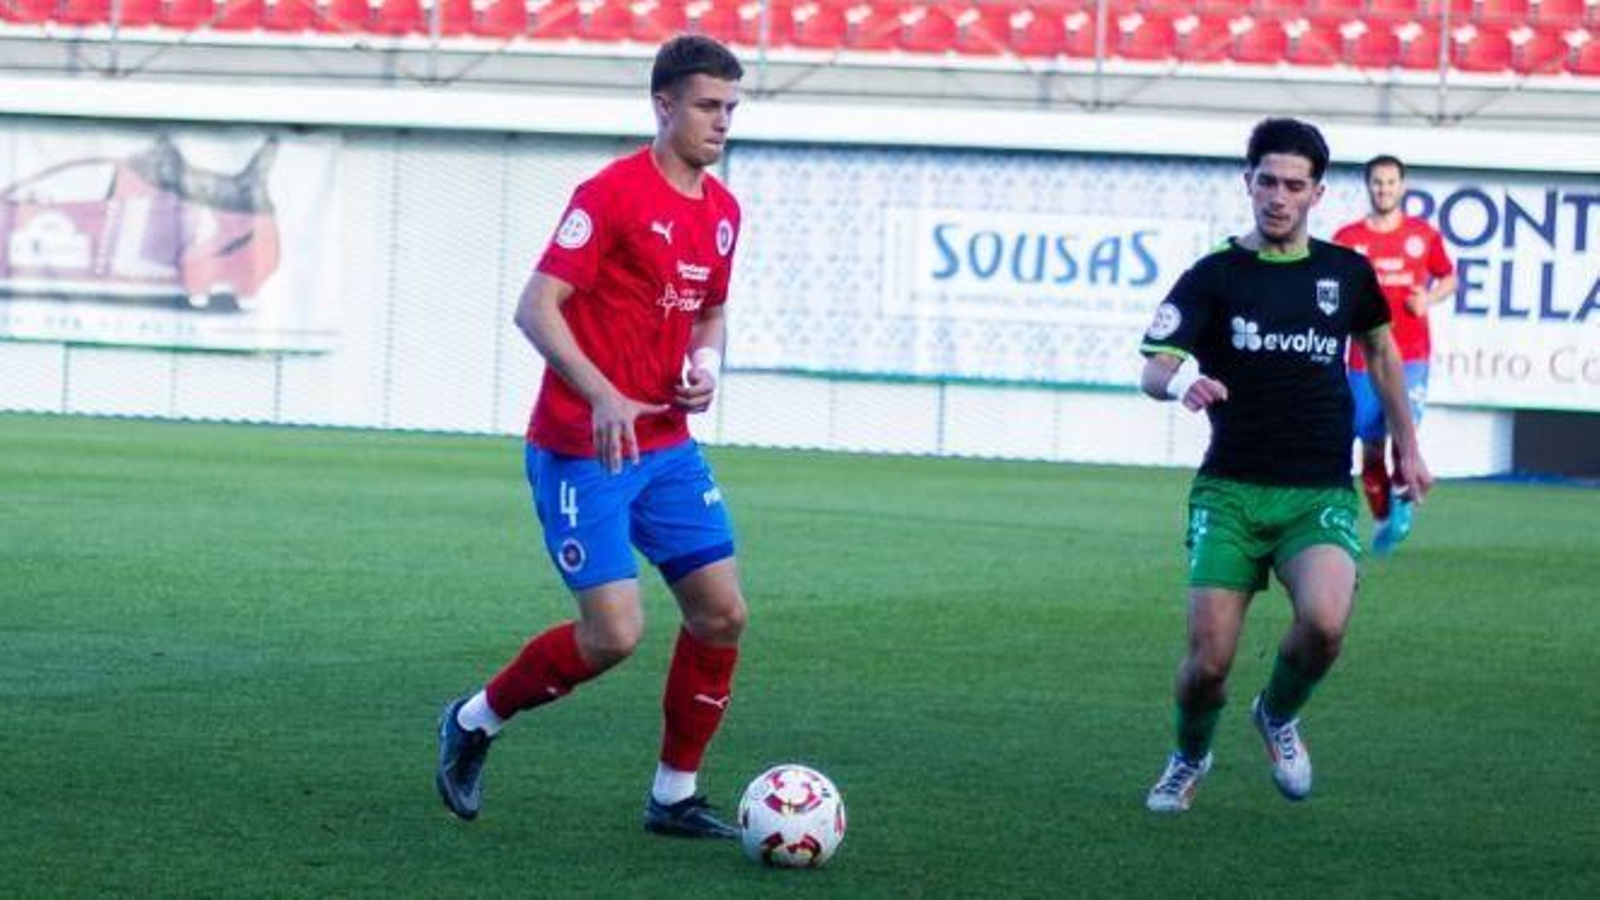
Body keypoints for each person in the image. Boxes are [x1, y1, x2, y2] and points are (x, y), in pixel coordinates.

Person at [435, 34, 748, 839]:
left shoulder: (722, 213)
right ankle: (474, 720)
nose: (722, 124)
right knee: (614, 634)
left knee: (721, 614)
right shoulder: (609, 194)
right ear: (664, 105)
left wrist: (704, 367)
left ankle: (674, 796)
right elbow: (536, 306)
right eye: (708, 107)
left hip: (668, 444)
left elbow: (709, 306)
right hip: (585, 445)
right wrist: (604, 392)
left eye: (731, 109)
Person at [1137, 118, 1432, 813]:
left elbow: (1384, 355)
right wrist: (1185, 384)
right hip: (1231, 493)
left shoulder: (1345, 273)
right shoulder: (1213, 275)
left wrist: (1408, 447)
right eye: (1266, 181)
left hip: (1315, 491)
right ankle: (1188, 757)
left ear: (1316, 193)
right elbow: (1153, 367)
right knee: (1208, 664)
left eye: (1293, 185)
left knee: (1327, 622)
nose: (1277, 196)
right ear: (1248, 182)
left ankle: (1276, 714)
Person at [1332, 155, 1456, 556]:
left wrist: (1430, 296)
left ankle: (1404, 499)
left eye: (1390, 182)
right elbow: (1331, 287)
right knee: (1370, 448)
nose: (1384, 189)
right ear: (1368, 186)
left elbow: (1449, 277)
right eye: (1377, 182)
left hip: (1411, 353)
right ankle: (1384, 517)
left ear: (1402, 186)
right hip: (1362, 358)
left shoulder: (1423, 235)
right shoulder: (1348, 238)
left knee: (1405, 430)